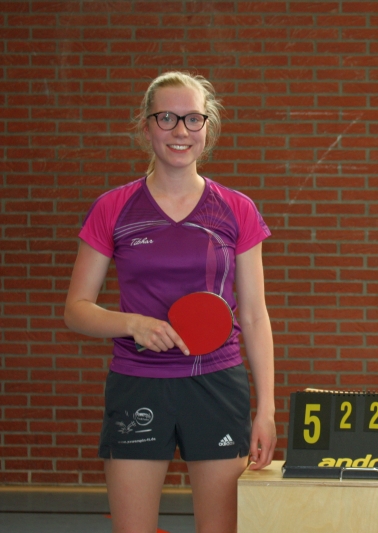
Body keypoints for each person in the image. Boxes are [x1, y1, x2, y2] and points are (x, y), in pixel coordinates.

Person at [64, 71, 277, 533]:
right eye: (167, 118)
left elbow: (255, 316)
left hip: (217, 385)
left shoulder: (237, 209)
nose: (181, 130)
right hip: (138, 384)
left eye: (193, 118)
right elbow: (77, 309)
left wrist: (266, 410)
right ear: (146, 127)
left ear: (207, 127)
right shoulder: (113, 208)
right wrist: (132, 323)